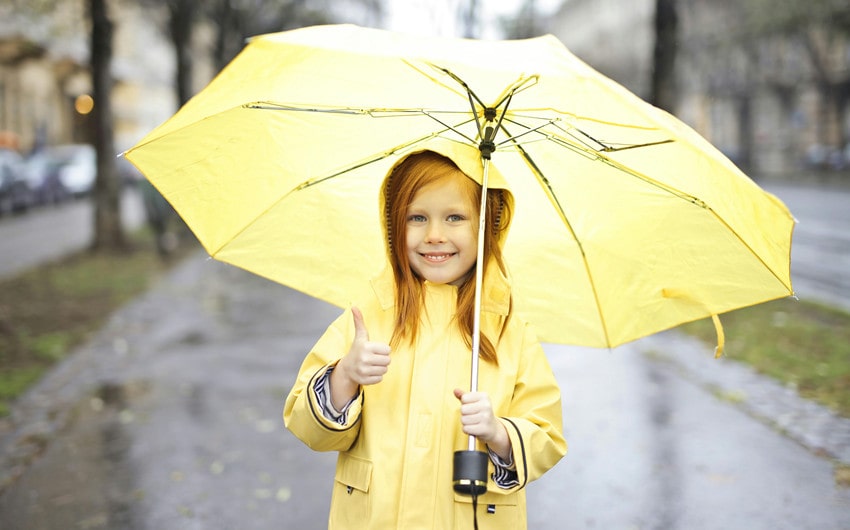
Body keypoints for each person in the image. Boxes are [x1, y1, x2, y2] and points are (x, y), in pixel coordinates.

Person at [284, 148, 566, 529]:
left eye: (455, 218)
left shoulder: (508, 331)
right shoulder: (367, 316)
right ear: (393, 226)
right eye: (417, 218)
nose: (435, 235)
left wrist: (499, 433)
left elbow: (546, 436)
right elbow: (307, 427)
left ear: (486, 227)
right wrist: (345, 375)